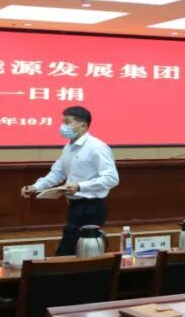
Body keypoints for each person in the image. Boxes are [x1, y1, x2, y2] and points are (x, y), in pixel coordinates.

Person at [21, 106, 119, 255]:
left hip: (91, 208)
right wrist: (36, 186)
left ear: (83, 125)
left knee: (72, 252)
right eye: (63, 122)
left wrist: (80, 186)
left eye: (67, 122)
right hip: (75, 206)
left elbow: (112, 178)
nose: (63, 126)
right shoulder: (69, 147)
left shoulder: (97, 147)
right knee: (74, 252)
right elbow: (57, 173)